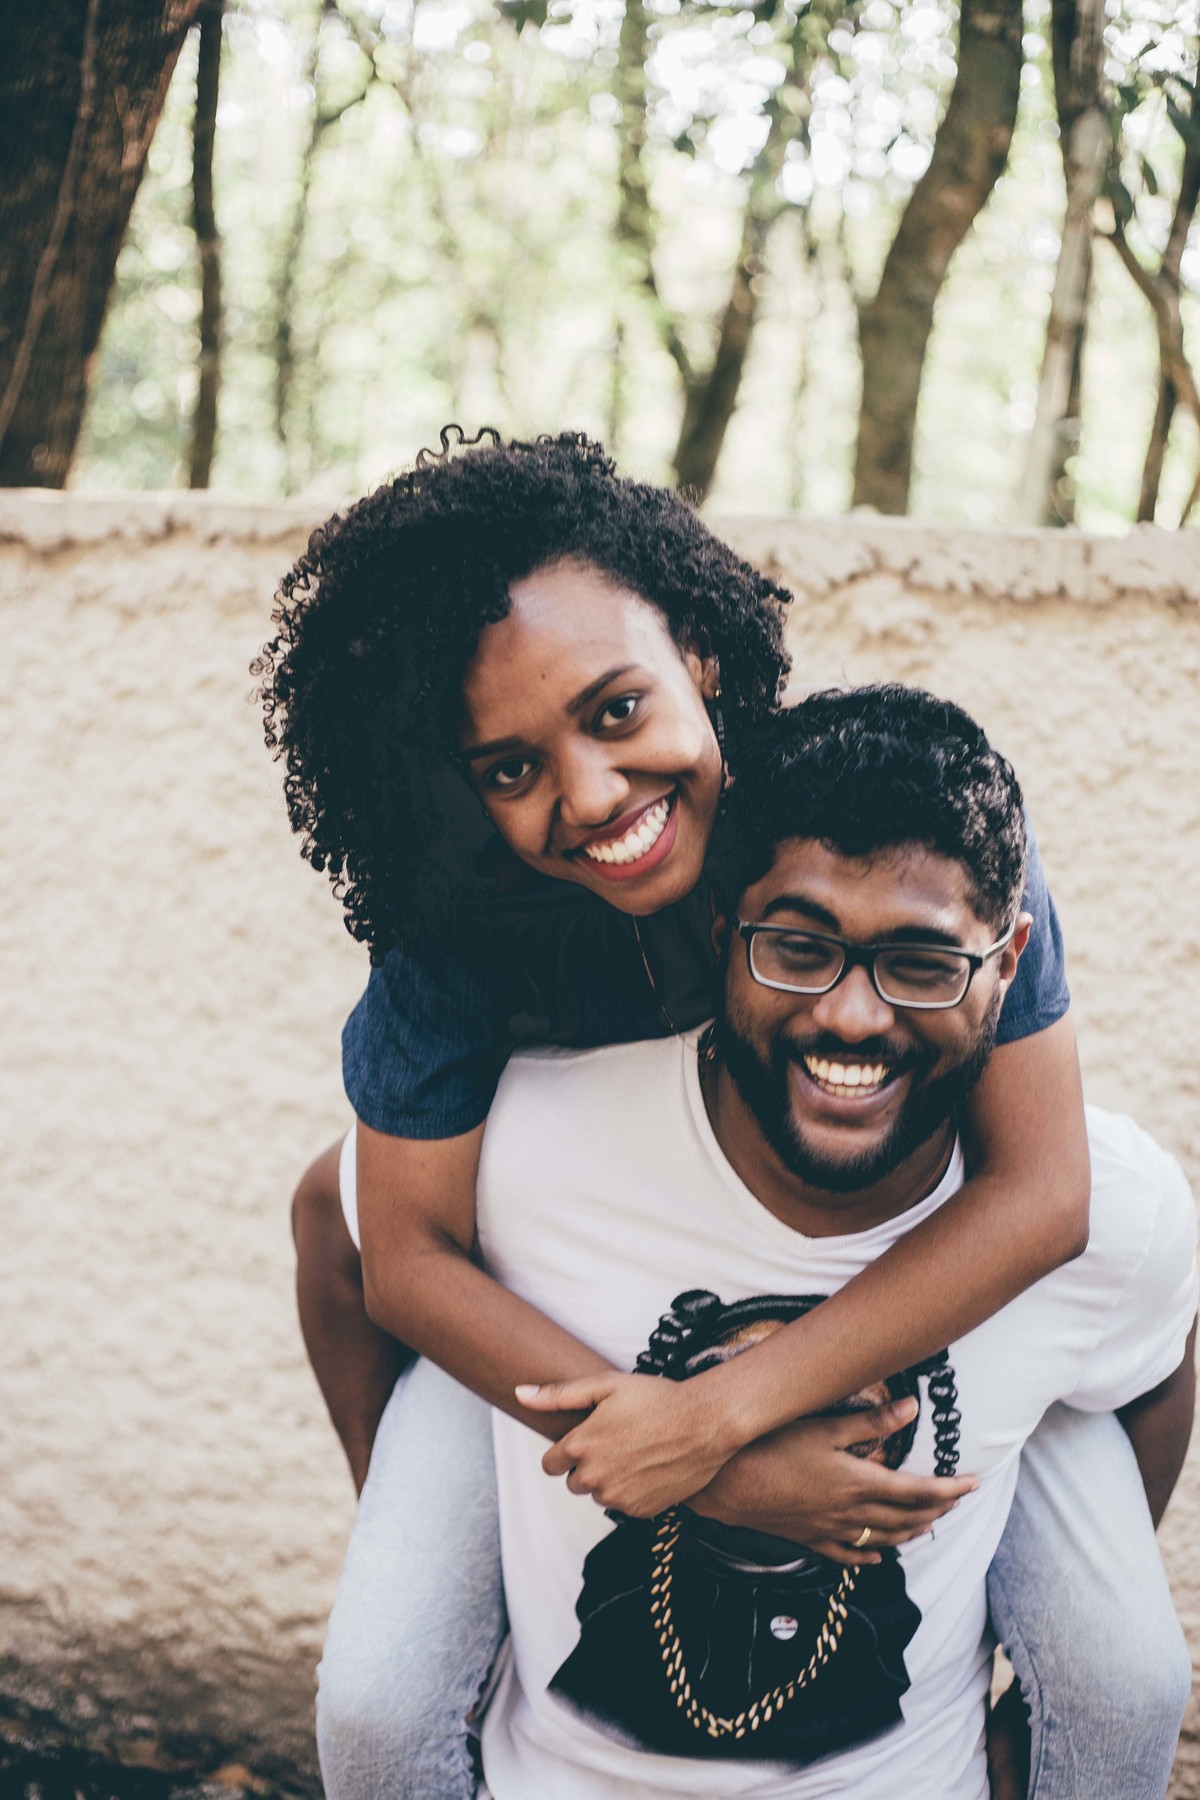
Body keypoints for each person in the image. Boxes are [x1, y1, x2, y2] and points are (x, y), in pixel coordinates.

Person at [254, 429, 1107, 1798]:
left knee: (1124, 1678)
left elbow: (1047, 1193)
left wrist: (718, 1420)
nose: (591, 797)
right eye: (509, 769)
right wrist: (695, 1467)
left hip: (885, 1313)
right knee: (379, 1700)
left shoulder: (896, 821)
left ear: (699, 651)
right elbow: (389, 1251)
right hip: (567, 1344)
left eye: (615, 712)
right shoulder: (458, 934)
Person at [462, 687, 1197, 1798]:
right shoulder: (535, 1146)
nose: (852, 1016)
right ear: (724, 933)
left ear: (1011, 964)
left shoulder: (1112, 1212)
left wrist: (1058, 1681)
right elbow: (357, 1235)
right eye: (800, 949)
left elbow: (1156, 1356)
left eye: (922, 962)